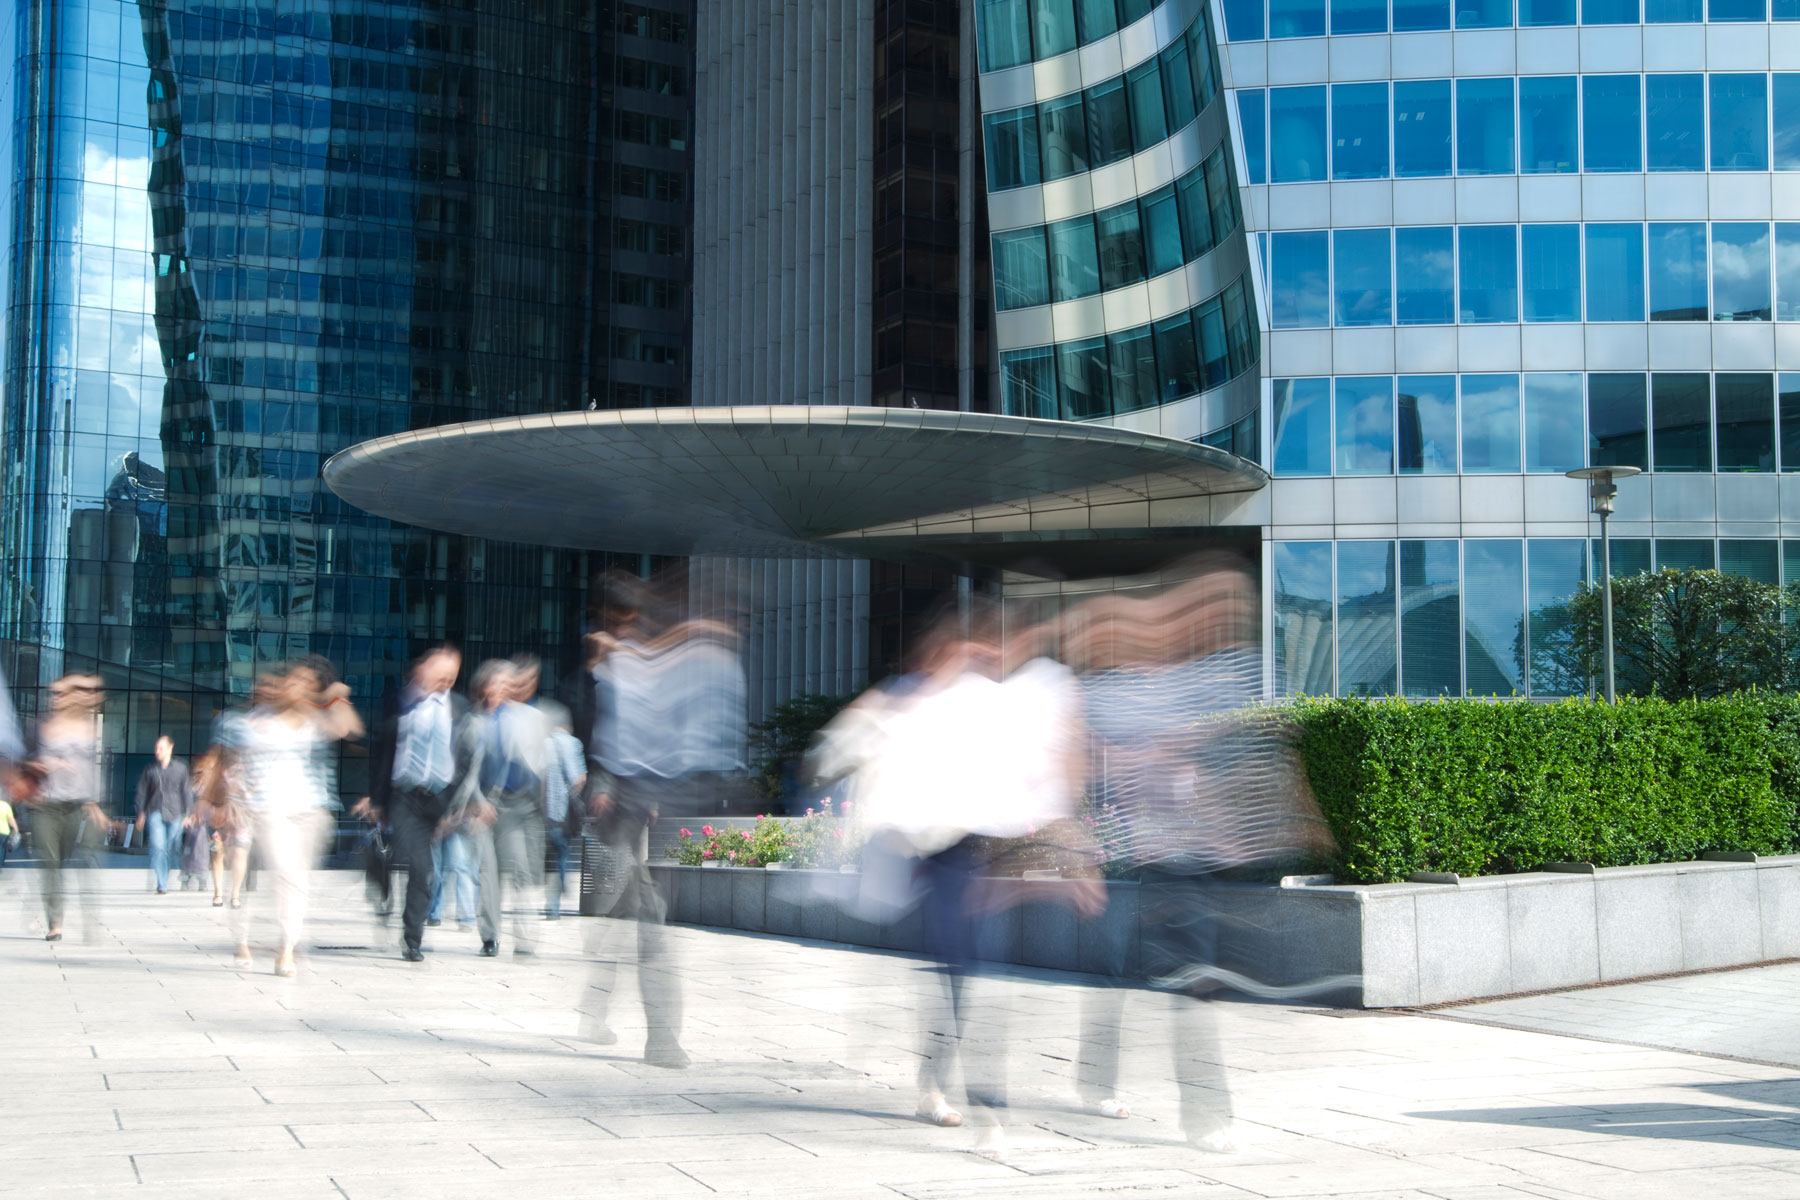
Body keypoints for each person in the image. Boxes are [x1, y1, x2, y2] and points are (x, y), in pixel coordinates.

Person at [214, 659, 361, 977]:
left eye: (306, 682)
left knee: (297, 881)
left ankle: (286, 946)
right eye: (293, 681)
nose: (297, 687)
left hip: (311, 811)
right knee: (286, 874)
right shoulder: (255, 721)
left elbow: (347, 728)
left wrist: (338, 696)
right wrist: (224, 800)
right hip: (269, 811)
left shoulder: (313, 719)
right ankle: (265, 942)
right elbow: (227, 760)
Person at [358, 645, 468, 962]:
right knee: (413, 858)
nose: (446, 681)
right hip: (405, 794)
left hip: (440, 797)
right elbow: (382, 751)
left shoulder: (459, 707)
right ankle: (381, 881)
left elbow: (467, 756)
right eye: (441, 674)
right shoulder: (399, 701)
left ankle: (412, 937)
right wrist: (375, 798)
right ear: (425, 669)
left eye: (452, 676)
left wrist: (459, 804)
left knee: (425, 872)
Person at [456, 658, 549, 957]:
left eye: (505, 684)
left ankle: (525, 935)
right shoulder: (471, 723)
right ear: (483, 687)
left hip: (518, 804)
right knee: (488, 873)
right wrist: (478, 804)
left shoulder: (528, 718)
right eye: (495, 684)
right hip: (483, 805)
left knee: (522, 869)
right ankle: (490, 936)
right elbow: (464, 772)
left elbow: (538, 763)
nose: (500, 689)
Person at [23, 675, 110, 941]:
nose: (55, 699)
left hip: (73, 807)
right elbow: (25, 760)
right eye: (54, 695)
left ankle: (51, 905)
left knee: (60, 860)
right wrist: (43, 762)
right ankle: (55, 922)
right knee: (49, 862)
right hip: (44, 805)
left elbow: (90, 769)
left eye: (61, 694)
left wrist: (94, 803)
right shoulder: (40, 726)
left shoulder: (87, 728)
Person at [135, 736, 195, 895]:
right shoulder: (150, 770)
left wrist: (189, 814)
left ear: (170, 748)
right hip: (155, 812)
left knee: (171, 847)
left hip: (176, 814)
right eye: (156, 748)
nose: (157, 751)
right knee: (159, 848)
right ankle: (162, 884)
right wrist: (141, 813)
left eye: (160, 748)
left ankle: (164, 872)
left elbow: (186, 792)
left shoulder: (181, 769)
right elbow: (142, 793)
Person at [541, 710, 586, 920]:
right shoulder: (573, 743)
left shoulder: (543, 744)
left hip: (544, 810)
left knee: (550, 854)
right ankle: (556, 900)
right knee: (561, 854)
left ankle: (553, 900)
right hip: (563, 811)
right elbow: (579, 778)